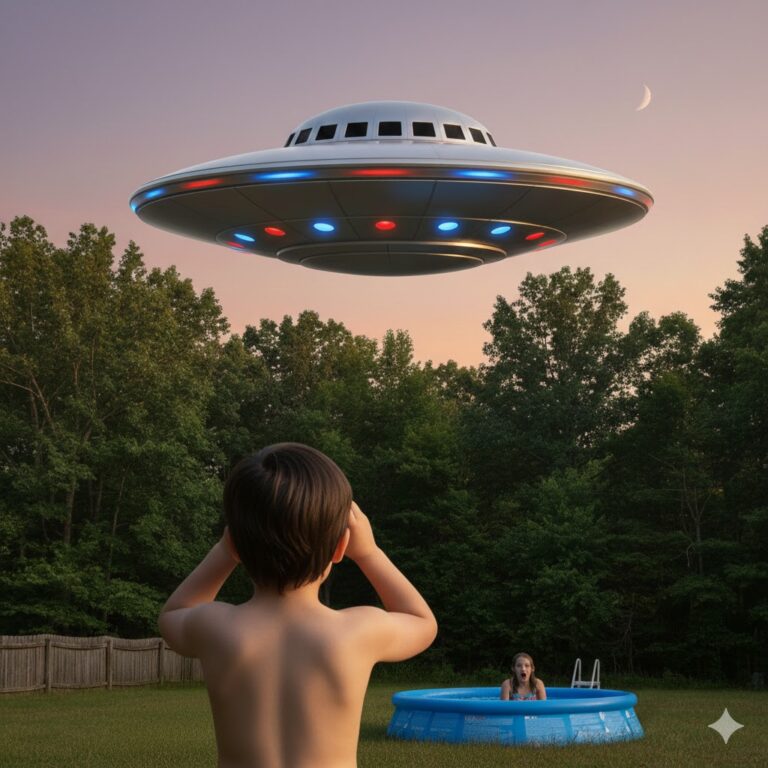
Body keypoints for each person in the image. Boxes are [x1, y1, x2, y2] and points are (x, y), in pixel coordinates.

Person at [158, 443, 437, 768]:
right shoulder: (356, 632)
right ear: (340, 547)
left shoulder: (217, 627)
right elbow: (422, 621)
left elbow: (173, 613)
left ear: (235, 544)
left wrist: (224, 551)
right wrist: (369, 553)